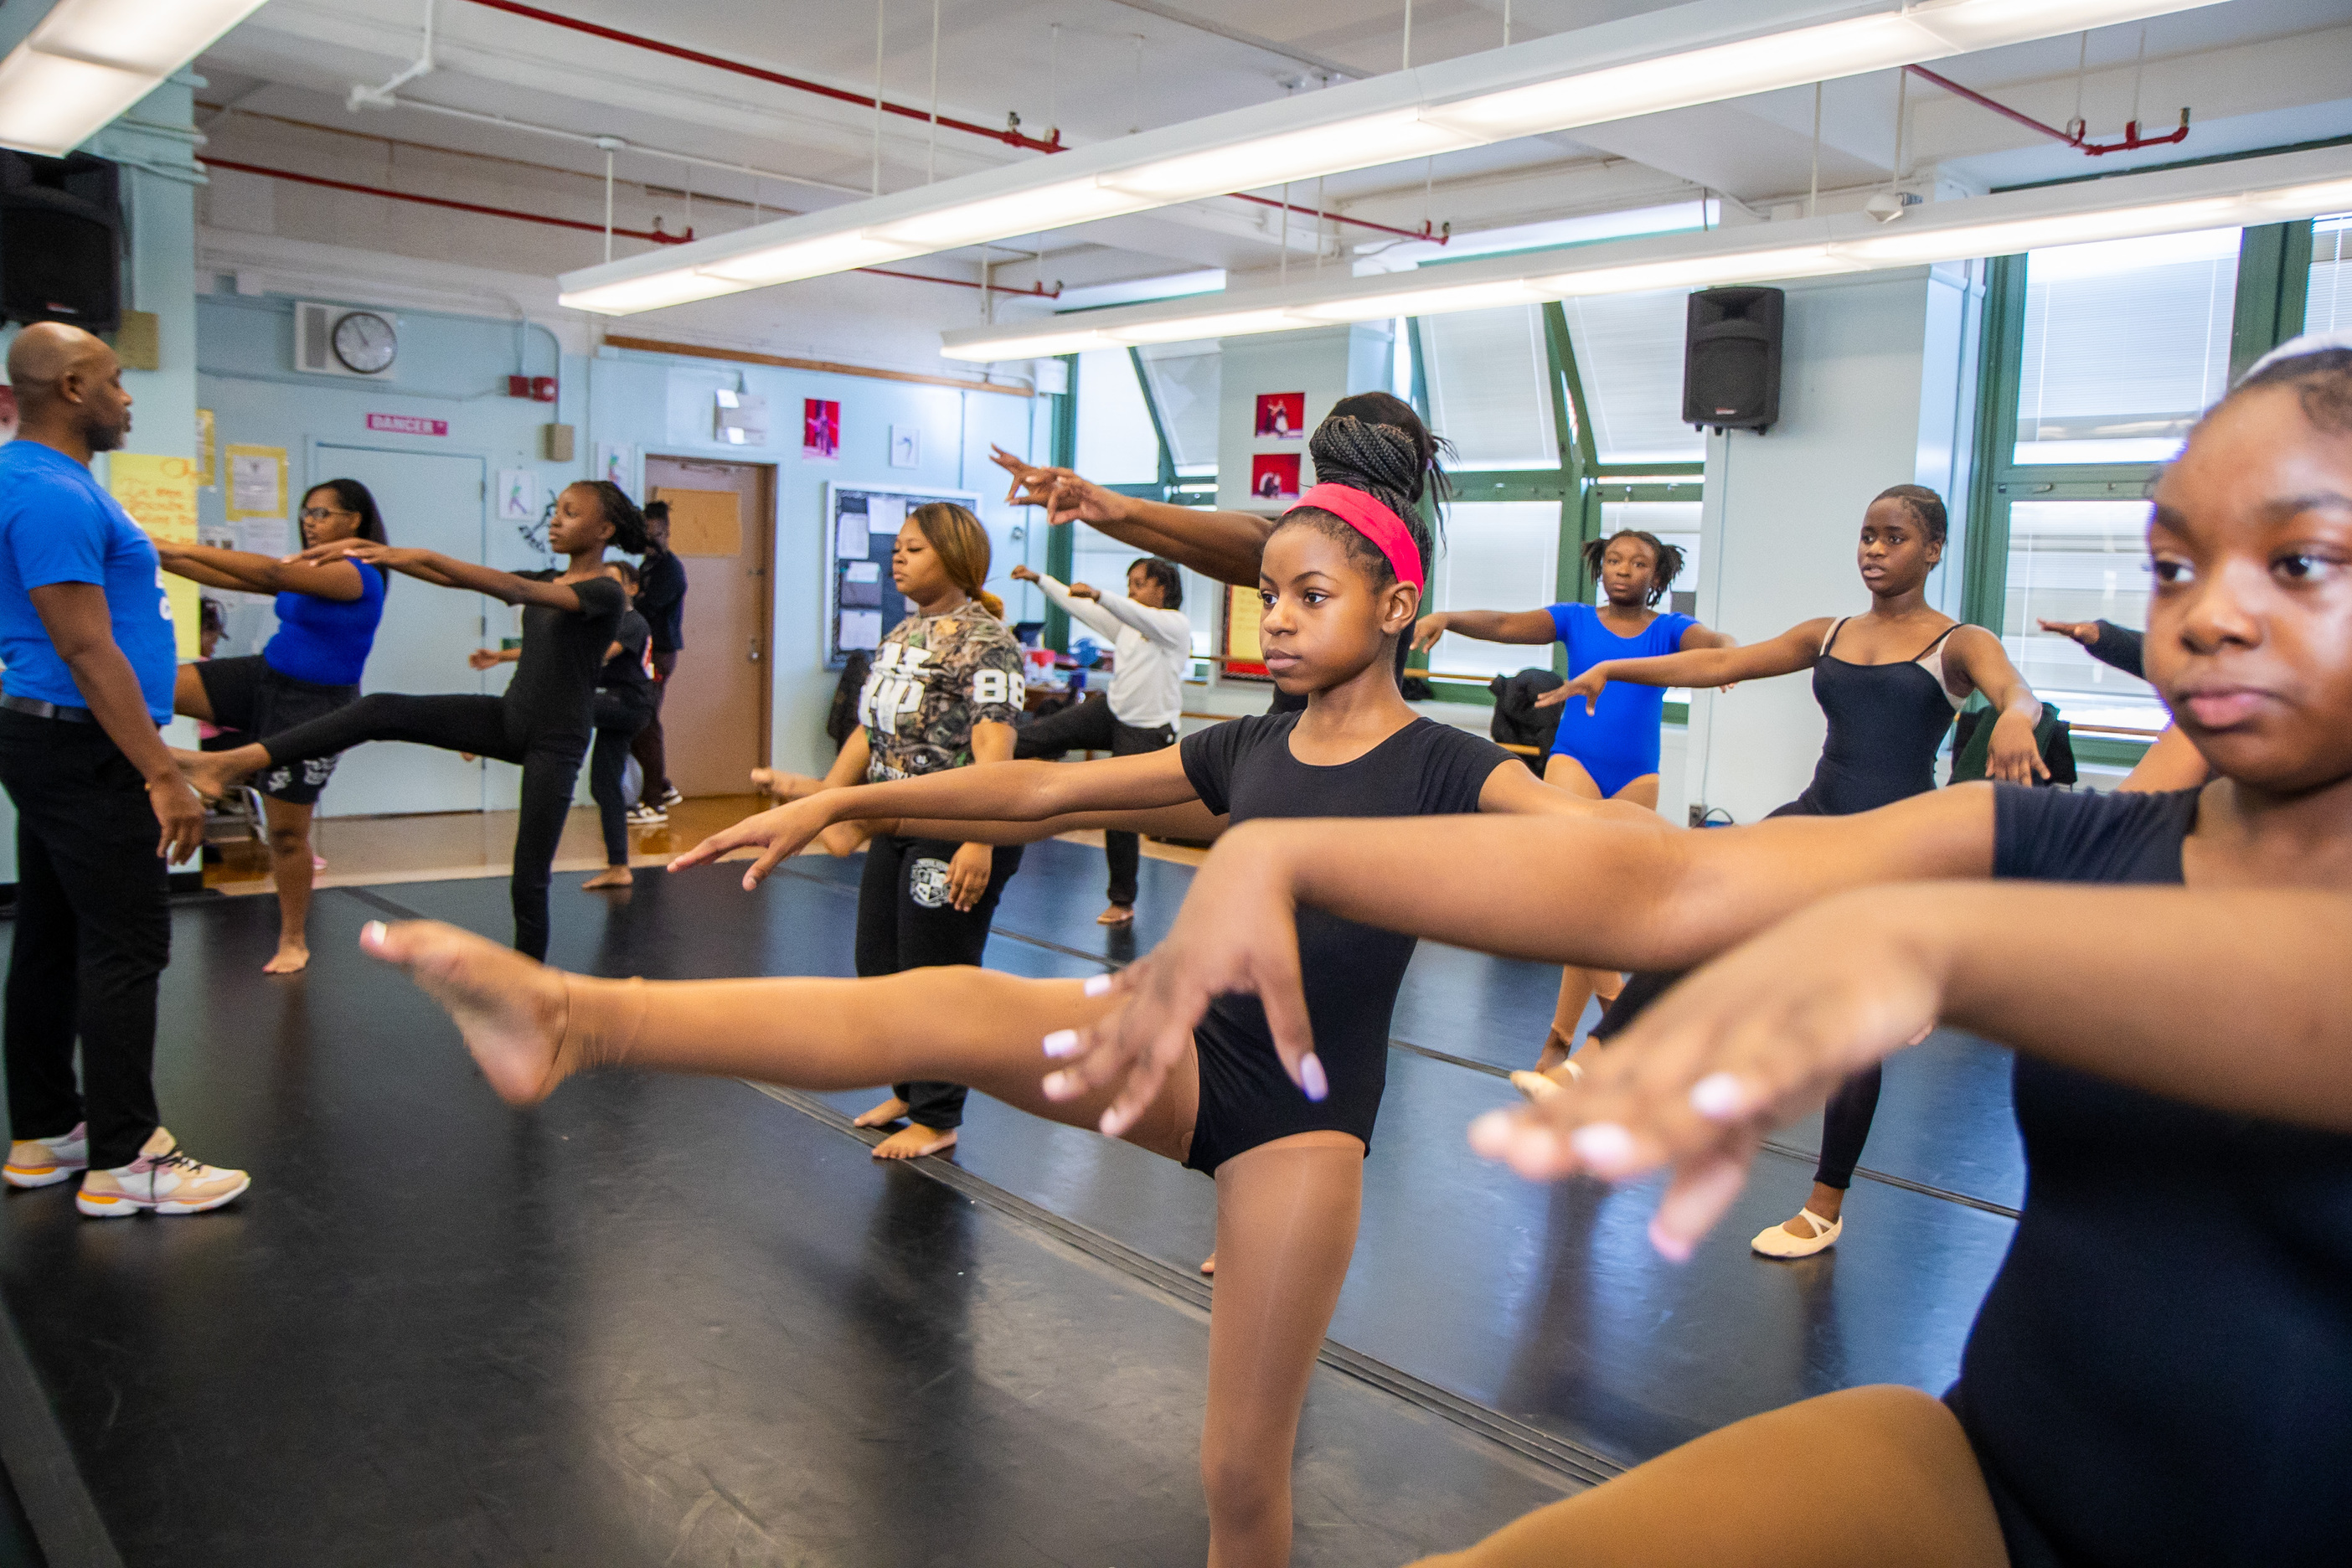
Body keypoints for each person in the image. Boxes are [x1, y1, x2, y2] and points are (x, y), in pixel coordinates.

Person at [1090, 336, 2352, 1568]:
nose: (2208, 615)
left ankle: (1823, 1200)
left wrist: (1922, 936)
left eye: (2296, 560)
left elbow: (2291, 1002)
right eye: (2176, 564)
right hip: (2004, 1467)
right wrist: (1288, 853)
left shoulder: (2049, 828)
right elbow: (1667, 883)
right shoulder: (2075, 841)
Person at [364, 411, 1606, 1568]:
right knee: (937, 1006)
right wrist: (851, 798)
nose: (1274, 621)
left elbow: (1590, 850)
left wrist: (1580, 814)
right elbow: (1043, 792)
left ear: (1398, 608)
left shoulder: (1445, 762)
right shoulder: (1250, 746)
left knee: (1238, 1469)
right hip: (1171, 1049)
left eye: (1310, 598)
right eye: (1266, 595)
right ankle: (577, 1018)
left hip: (1301, 1120)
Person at [1545, 484, 2047, 1258]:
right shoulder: (1831, 631)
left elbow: (2019, 691)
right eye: (1867, 535)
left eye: (1894, 538)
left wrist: (2015, 715)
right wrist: (1615, 667)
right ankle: (1599, 1060)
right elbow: (1726, 663)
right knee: (1704, 900)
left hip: (1892, 845)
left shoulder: (1958, 642)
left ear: (1934, 550)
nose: (1875, 550)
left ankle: (1824, 1205)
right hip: (1817, 813)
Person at [0, 322, 249, 1217]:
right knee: (128, 943)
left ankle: (45, 1135)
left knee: (55, 936)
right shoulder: (50, 491)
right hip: (84, 743)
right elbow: (81, 642)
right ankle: (126, 1159)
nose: (129, 396)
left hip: (57, 736)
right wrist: (159, 771)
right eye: (116, 380)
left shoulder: (44, 481)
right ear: (71, 388)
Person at [177, 482, 640, 961]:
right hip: (508, 718)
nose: (556, 520)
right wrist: (376, 554)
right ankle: (231, 763)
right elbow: (449, 578)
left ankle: (530, 992)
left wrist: (393, 551)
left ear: (604, 529)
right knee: (379, 709)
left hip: (555, 741)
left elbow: (512, 589)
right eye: (556, 510)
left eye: (571, 513)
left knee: (529, 880)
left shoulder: (604, 592)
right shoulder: (550, 577)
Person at [1413, 528, 1736, 1080]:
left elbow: (1718, 643)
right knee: (1583, 899)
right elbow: (1507, 625)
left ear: (1657, 578)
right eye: (1613, 559)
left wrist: (1729, 656)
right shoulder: (1576, 620)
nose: (1623, 570)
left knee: (1597, 913)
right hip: (1574, 765)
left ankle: (1560, 1042)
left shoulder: (1671, 630)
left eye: (1638, 563)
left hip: (1639, 777)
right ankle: (1622, 1019)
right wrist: (1451, 617)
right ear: (1599, 567)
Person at [801, 501, 1029, 1161]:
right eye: (897, 547)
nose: (898, 557)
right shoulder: (903, 635)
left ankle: (939, 1115)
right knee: (881, 965)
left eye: (915, 549)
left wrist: (980, 840)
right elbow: (869, 733)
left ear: (954, 560)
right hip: (897, 818)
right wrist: (824, 805)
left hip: (958, 824)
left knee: (938, 972)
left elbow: (994, 748)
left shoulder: (987, 641)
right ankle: (907, 1085)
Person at [991, 389, 1446, 713]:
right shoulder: (1368, 528)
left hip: (1334, 744)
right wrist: (1106, 511)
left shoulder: (1386, 534)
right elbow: (1221, 554)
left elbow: (1255, 543)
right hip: (1301, 734)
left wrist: (1118, 505)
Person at [148, 478, 389, 973]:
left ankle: (294, 938)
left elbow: (267, 570)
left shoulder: (359, 575)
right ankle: (184, 769)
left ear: (354, 521)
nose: (310, 521)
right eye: (306, 512)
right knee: (150, 685)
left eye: (322, 514)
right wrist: (161, 558)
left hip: (315, 706)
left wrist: (174, 544)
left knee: (285, 835)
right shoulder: (310, 566)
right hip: (264, 677)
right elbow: (249, 580)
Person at [1008, 554, 1189, 925]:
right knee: (1036, 734)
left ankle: (1122, 902)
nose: (1132, 591)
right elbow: (1077, 605)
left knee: (1119, 812)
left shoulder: (1175, 626)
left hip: (1147, 729)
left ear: (1162, 588)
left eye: (1139, 584)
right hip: (1113, 711)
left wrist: (1102, 595)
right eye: (1129, 584)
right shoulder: (1127, 625)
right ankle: (990, 766)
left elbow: (1135, 614)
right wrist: (1040, 579)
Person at [472, 559, 652, 891]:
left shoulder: (632, 621)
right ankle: (619, 866)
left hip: (628, 703)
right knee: (604, 785)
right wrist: (500, 656)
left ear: (631, 589)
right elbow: (553, 647)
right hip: (611, 703)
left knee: (565, 706)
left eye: (613, 582)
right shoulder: (604, 618)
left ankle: (482, 735)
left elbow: (598, 653)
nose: (605, 588)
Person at [627, 499, 686, 825]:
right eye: (647, 529)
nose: (652, 536)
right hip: (645, 652)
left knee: (645, 720)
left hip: (658, 655)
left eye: (658, 530)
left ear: (665, 530)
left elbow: (646, 607)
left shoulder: (669, 569)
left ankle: (654, 802)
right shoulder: (647, 566)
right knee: (638, 719)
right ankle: (661, 787)